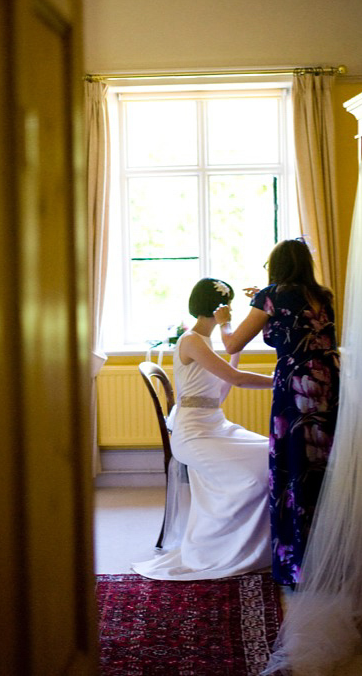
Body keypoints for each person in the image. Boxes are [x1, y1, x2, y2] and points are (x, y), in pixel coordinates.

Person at [132, 277, 274, 581]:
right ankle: (217, 548)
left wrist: (233, 353)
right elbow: (237, 380)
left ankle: (251, 546)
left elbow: (220, 394)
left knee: (270, 455)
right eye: (229, 305)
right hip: (193, 433)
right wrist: (280, 380)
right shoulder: (192, 340)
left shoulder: (205, 343)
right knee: (252, 477)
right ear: (220, 307)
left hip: (215, 425)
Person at [219, 238, 340, 586]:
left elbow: (232, 344)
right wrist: (263, 298)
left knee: (292, 465)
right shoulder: (322, 297)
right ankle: (327, 559)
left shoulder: (271, 296)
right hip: (328, 382)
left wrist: (225, 320)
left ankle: (296, 566)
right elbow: (298, 320)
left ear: (276, 267)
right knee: (321, 464)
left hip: (296, 385)